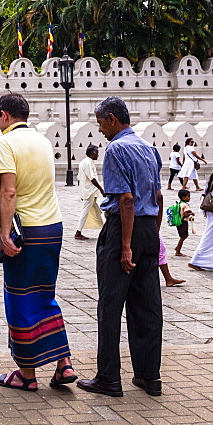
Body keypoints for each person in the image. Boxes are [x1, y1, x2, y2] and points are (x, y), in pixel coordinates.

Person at [0, 93, 76, 392]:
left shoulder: (6, 143)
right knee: (45, 295)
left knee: (20, 298)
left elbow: (9, 192)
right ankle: (63, 364)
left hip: (27, 232)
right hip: (53, 226)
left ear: (3, 116)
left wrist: (2, 234)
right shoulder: (41, 140)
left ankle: (26, 373)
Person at [77, 97, 164, 398]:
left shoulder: (115, 149)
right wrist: (150, 236)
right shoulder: (149, 148)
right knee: (147, 306)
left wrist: (126, 245)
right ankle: (149, 375)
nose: (99, 129)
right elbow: (157, 195)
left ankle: (109, 377)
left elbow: (126, 200)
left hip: (122, 228)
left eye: (100, 122)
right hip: (148, 227)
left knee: (111, 305)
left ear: (112, 119)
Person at [75, 145, 104, 241]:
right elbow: (92, 179)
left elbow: (79, 178)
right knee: (85, 211)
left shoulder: (84, 162)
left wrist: (81, 192)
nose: (98, 155)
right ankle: (78, 232)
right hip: (89, 192)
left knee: (97, 210)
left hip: (88, 191)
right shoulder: (88, 163)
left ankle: (104, 229)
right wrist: (101, 189)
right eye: (97, 153)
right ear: (92, 154)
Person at [170, 189, 196, 257]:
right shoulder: (185, 205)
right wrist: (191, 213)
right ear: (184, 197)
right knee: (183, 236)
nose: (189, 198)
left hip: (179, 221)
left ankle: (177, 247)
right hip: (183, 222)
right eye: (188, 196)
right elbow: (186, 214)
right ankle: (178, 251)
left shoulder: (179, 204)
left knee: (183, 235)